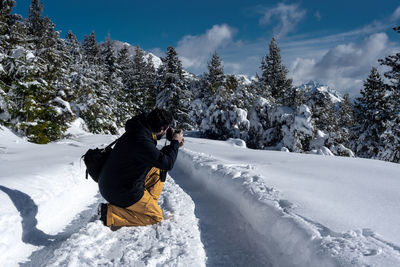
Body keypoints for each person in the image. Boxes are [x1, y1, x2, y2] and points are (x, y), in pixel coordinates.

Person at [98, 108, 184, 228]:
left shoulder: (139, 130)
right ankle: (110, 214)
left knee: (158, 169)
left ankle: (146, 204)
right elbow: (167, 163)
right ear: (161, 129)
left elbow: (157, 159)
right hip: (121, 190)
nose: (166, 132)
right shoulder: (141, 139)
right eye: (166, 129)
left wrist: (172, 144)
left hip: (113, 183)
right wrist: (175, 142)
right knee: (155, 216)